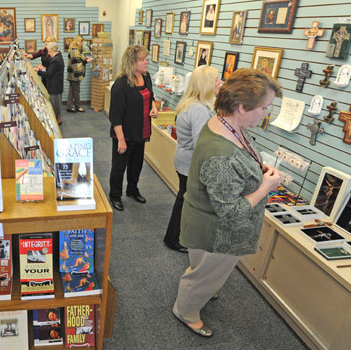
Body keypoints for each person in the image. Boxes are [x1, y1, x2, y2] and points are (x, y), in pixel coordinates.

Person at [172, 68, 282, 337]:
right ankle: (185, 311)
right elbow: (231, 213)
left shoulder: (226, 123)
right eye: (265, 107)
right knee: (202, 275)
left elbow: (236, 161)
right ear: (243, 107)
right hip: (216, 233)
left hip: (212, 226)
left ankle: (203, 290)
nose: (267, 113)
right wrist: (265, 187)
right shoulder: (220, 152)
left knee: (206, 272)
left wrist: (255, 170)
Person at [163, 66, 222, 253]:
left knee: (183, 199)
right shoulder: (199, 110)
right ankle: (173, 239)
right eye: (217, 80)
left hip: (184, 160)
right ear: (207, 85)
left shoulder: (191, 104)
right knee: (185, 201)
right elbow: (201, 144)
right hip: (190, 164)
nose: (220, 83)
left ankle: (174, 237)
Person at [108, 45, 158, 211]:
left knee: (136, 164)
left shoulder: (146, 77)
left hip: (141, 131)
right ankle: (115, 195)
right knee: (119, 167)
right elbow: (115, 116)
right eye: (142, 59)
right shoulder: (121, 85)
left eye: (146, 58)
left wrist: (153, 107)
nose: (146, 62)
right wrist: (121, 140)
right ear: (132, 62)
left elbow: (150, 95)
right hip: (125, 134)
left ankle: (132, 189)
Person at [36, 42, 64, 125]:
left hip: (54, 86)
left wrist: (38, 71)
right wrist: (44, 69)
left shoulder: (55, 60)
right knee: (55, 103)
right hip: (56, 85)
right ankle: (56, 118)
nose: (47, 53)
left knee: (55, 105)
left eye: (48, 51)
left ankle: (56, 120)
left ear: (52, 50)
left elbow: (48, 74)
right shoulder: (58, 57)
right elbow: (51, 71)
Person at [67, 36, 91, 113]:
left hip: (72, 75)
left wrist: (84, 59)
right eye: (81, 42)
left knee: (72, 91)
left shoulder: (76, 50)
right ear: (77, 42)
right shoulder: (75, 51)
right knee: (76, 91)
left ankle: (70, 106)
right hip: (75, 75)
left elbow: (79, 60)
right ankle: (78, 106)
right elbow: (77, 65)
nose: (82, 43)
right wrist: (86, 61)